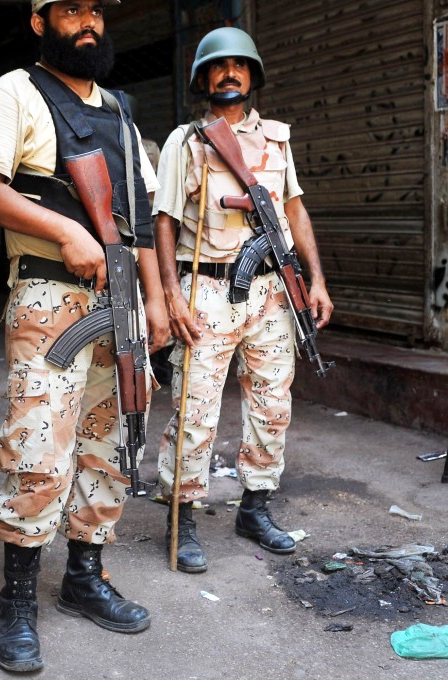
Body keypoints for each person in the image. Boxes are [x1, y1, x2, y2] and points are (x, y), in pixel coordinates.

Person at [0, 0, 167, 672]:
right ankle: (17, 600)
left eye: (95, 10)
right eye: (69, 9)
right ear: (39, 21)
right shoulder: (13, 95)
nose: (86, 22)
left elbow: (136, 218)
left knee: (109, 442)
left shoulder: (122, 111)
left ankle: (85, 577)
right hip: (51, 294)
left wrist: (159, 299)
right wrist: (68, 230)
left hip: (123, 294)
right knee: (41, 447)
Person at [153, 27, 333, 573]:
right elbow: (162, 224)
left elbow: (295, 211)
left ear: (253, 76)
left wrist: (317, 281)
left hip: (271, 293)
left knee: (272, 404)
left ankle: (255, 506)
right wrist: (170, 296)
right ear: (203, 78)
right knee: (195, 409)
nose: (230, 73)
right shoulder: (185, 142)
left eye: (240, 66)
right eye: (219, 66)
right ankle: (181, 516)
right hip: (205, 289)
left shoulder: (277, 141)